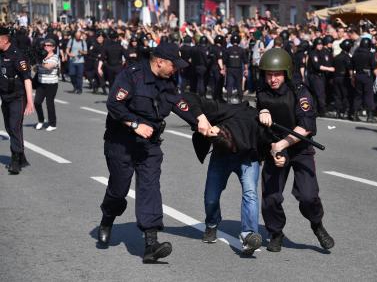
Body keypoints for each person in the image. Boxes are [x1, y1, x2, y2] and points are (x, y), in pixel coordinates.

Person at [97, 42, 212, 263]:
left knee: (150, 187)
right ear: (159, 62)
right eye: (173, 65)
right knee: (118, 189)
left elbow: (178, 102)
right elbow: (114, 104)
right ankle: (108, 217)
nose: (176, 69)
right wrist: (134, 124)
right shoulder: (132, 75)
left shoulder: (167, 81)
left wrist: (199, 120)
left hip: (149, 144)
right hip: (121, 141)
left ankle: (150, 244)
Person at [256, 48, 334, 252]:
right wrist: (261, 112)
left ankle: (317, 225)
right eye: (268, 74)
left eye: (277, 74)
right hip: (274, 148)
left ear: (286, 73)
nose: (272, 79)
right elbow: (257, 121)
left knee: (308, 196)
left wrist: (282, 145)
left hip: (300, 148)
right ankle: (275, 233)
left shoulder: (300, 91)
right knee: (270, 197)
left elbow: (307, 126)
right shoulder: (261, 91)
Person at [185, 94, 264, 255]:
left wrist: (266, 112)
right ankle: (212, 224)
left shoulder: (252, 120)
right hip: (221, 157)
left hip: (248, 157)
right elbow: (188, 97)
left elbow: (271, 138)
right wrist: (201, 118)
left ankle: (249, 235)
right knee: (211, 197)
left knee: (250, 193)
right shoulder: (220, 110)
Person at [0, 27, 34, 174]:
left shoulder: (17, 55)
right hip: (4, 96)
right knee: (9, 127)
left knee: (14, 126)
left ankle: (15, 160)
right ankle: (22, 155)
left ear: (4, 40)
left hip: (17, 97)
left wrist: (30, 101)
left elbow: (27, 78)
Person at [34, 39, 60, 131]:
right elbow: (35, 68)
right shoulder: (42, 56)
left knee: (49, 103)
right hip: (41, 83)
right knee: (37, 102)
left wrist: (40, 61)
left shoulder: (55, 57)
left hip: (51, 84)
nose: (46, 47)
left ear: (53, 47)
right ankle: (41, 120)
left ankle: (52, 124)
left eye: (48, 45)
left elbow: (49, 66)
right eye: (45, 45)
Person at [351, 38, 377, 122]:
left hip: (357, 75)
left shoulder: (356, 53)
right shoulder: (370, 54)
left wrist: (352, 77)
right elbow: (374, 65)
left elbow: (351, 65)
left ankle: (355, 114)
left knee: (358, 95)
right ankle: (369, 116)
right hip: (367, 75)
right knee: (368, 95)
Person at [223, 33, 248, 104]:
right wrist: (246, 70)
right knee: (239, 85)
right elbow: (245, 61)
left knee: (229, 84)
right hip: (238, 69)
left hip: (230, 69)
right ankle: (240, 100)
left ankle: (228, 99)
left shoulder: (228, 50)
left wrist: (224, 69)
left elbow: (224, 61)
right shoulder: (241, 50)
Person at [332, 39, 353, 119]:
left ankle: (338, 112)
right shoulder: (347, 57)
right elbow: (349, 68)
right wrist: (352, 77)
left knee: (337, 95)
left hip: (336, 77)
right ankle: (344, 111)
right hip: (344, 78)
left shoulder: (337, 57)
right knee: (345, 95)